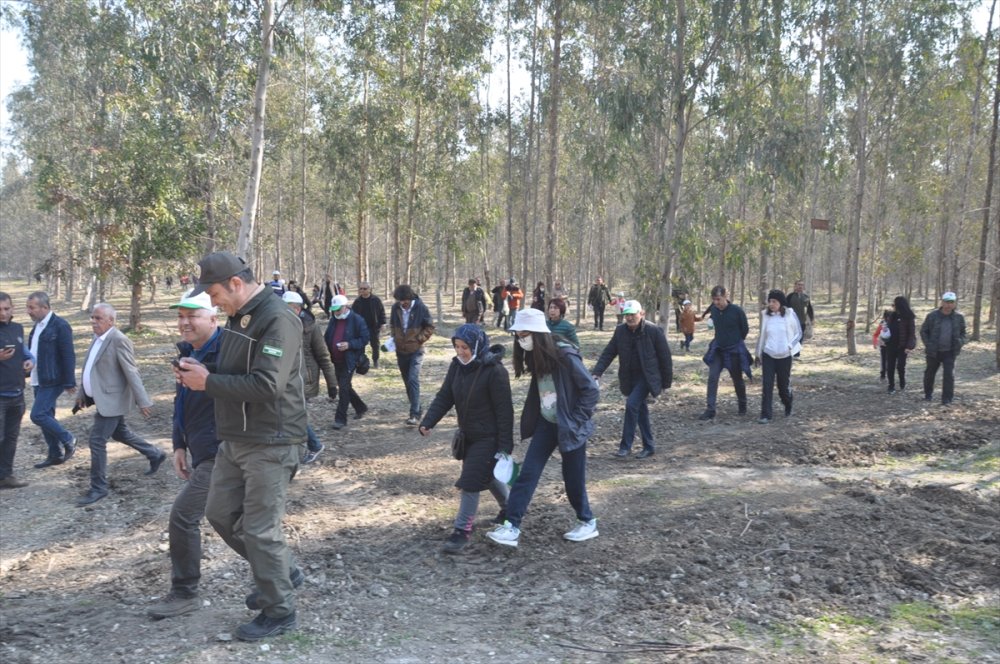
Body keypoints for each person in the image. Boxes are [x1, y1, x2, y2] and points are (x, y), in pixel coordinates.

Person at [175, 251, 307, 641]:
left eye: (214, 293)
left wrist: (208, 383)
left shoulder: (277, 319)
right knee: (218, 513)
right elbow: (238, 374)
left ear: (236, 283)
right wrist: (203, 373)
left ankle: (278, 610)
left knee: (261, 530)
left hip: (271, 439)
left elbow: (268, 385)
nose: (211, 302)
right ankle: (280, 572)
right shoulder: (238, 319)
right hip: (235, 437)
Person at [486, 308, 600, 548]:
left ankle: (587, 521)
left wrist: (576, 419)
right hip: (547, 423)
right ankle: (511, 526)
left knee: (573, 479)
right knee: (528, 473)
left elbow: (591, 389)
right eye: (517, 335)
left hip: (570, 426)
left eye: (524, 334)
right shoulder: (536, 355)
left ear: (538, 333)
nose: (520, 339)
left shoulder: (566, 356)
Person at [147, 291, 223, 619]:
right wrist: (179, 443)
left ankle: (184, 591)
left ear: (213, 319)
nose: (184, 322)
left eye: (192, 315)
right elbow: (181, 401)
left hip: (224, 452)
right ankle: (282, 574)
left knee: (183, 516)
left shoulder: (227, 354)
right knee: (237, 521)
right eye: (180, 315)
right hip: (200, 449)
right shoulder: (187, 351)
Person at [419, 324, 513, 553]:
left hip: (489, 437)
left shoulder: (495, 371)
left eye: (465, 347)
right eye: (457, 347)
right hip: (467, 435)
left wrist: (505, 447)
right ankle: (510, 509)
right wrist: (428, 421)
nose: (460, 352)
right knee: (487, 476)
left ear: (478, 346)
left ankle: (462, 531)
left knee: (470, 481)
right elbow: (445, 395)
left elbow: (505, 411)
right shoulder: (457, 367)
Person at [75, 303, 165, 506]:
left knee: (97, 441)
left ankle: (98, 488)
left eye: (98, 318)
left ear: (111, 321)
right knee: (119, 432)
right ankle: (155, 453)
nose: (94, 322)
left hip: (112, 400)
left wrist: (143, 400)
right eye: (93, 318)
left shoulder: (119, 340)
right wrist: (83, 392)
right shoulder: (96, 338)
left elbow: (131, 372)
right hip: (101, 398)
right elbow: (90, 368)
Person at [592, 300, 672, 459]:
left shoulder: (653, 331)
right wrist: (597, 372)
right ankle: (649, 446)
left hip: (647, 377)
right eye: (626, 315)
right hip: (629, 377)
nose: (629, 318)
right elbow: (609, 352)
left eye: (632, 314)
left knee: (631, 405)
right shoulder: (620, 331)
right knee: (640, 410)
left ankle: (625, 446)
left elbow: (665, 358)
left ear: (641, 313)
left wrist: (666, 383)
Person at [282, 291, 336, 463]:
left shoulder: (310, 326)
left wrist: (332, 384)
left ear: (297, 309)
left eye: (288, 308)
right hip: (285, 378)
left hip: (305, 379)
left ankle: (312, 446)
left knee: (295, 414)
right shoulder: (279, 325)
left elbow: (323, 355)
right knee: (291, 414)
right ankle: (306, 447)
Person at [26, 291, 77, 468]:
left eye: (32, 308)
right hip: (38, 378)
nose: (29, 311)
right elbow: (33, 351)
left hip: (53, 379)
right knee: (47, 415)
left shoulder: (60, 325)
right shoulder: (37, 326)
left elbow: (68, 355)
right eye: (28, 307)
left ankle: (68, 438)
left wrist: (70, 381)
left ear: (45, 307)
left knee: (38, 414)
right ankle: (55, 453)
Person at [699, 285, 751, 421]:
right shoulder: (714, 311)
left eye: (718, 299)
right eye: (714, 300)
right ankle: (710, 409)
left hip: (734, 350)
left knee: (737, 379)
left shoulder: (737, 311)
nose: (716, 302)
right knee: (712, 377)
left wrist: (734, 340)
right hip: (718, 349)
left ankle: (742, 405)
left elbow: (744, 329)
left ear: (725, 297)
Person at [0, 292, 34, 489]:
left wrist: (30, 361)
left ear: (12, 309)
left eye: (6, 309)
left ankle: (7, 475)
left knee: (11, 438)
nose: (3, 314)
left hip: (17, 394)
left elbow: (27, 354)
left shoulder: (18, 328)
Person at [389, 284, 435, 426]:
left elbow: (430, 327)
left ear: (410, 297)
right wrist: (393, 338)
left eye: (405, 300)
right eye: (400, 301)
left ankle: (414, 414)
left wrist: (418, 339)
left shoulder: (421, 308)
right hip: (400, 351)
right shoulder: (395, 308)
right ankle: (417, 407)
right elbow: (392, 325)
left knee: (413, 379)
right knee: (407, 383)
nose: (403, 303)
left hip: (416, 351)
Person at [754, 290, 801, 424]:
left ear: (781, 302)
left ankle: (788, 402)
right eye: (770, 301)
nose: (771, 304)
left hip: (785, 356)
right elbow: (762, 336)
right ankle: (766, 414)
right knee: (767, 385)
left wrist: (790, 346)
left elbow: (798, 333)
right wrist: (758, 354)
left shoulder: (790, 315)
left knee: (783, 386)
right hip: (769, 354)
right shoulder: (766, 316)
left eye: (774, 301)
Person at [324, 294, 370, 429]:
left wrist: (349, 344)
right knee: (345, 387)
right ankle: (361, 407)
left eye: (338, 309)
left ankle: (340, 419)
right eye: (334, 310)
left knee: (343, 389)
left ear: (345, 307)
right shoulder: (333, 320)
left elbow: (365, 338)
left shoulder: (357, 320)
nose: (336, 312)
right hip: (335, 360)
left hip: (350, 360)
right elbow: (328, 336)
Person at [920, 291, 966, 405]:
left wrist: (960, 342)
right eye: (946, 302)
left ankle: (947, 399)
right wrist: (928, 344)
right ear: (942, 302)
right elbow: (923, 331)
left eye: (951, 302)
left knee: (949, 376)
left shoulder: (959, 317)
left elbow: (964, 333)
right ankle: (928, 394)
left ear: (954, 303)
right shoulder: (932, 316)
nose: (948, 305)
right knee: (929, 374)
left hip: (950, 352)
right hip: (933, 351)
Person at [884, 296, 916, 394]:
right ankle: (891, 386)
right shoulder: (892, 316)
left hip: (903, 346)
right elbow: (887, 329)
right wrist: (884, 336)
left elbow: (911, 333)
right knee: (890, 366)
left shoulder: (909, 317)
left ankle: (902, 381)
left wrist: (909, 346)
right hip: (891, 345)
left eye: (894, 304)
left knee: (901, 366)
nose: (893, 306)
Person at [352, 282, 387, 369]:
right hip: (361, 328)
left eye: (364, 289)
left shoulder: (376, 300)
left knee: (375, 345)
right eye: (361, 289)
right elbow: (352, 315)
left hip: (374, 327)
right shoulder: (357, 301)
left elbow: (381, 312)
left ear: (369, 289)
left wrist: (383, 323)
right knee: (361, 346)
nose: (362, 290)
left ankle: (375, 361)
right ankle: (361, 362)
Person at [873, 308, 892, 381]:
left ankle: (887, 373)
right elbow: (875, 334)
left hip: (891, 345)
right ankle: (883, 374)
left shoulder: (894, 323)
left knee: (889, 360)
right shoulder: (882, 324)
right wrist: (875, 343)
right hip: (883, 345)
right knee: (884, 360)